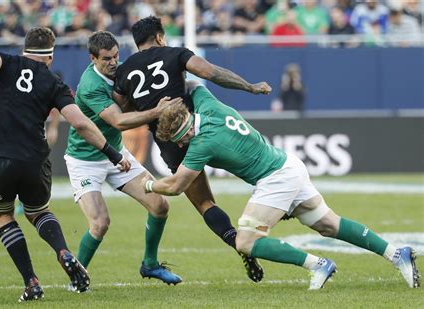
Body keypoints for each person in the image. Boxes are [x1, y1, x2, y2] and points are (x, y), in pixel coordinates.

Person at [143, 80, 421, 290]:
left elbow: (177, 186)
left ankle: (318, 264)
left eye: (179, 139)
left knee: (246, 241)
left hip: (276, 177)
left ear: (187, 128)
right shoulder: (207, 104)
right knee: (328, 224)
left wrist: (149, 186)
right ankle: (397, 254)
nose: (180, 145)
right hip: (287, 164)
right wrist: (173, 102)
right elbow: (193, 83)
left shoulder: (202, 144)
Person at [0, 27, 131, 302]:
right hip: (34, 161)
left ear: (25, 50)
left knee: (4, 216)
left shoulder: (8, 63)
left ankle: (31, 282)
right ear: (50, 56)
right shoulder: (54, 84)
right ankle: (63, 251)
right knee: (38, 213)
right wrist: (113, 153)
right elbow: (81, 123)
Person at [113, 15, 271, 283]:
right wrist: (249, 87)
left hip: (171, 142)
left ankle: (236, 242)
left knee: (206, 203)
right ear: (160, 36)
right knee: (254, 166)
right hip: (201, 130)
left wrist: (148, 107)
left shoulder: (124, 71)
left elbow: (122, 112)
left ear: (136, 42)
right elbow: (211, 72)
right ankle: (283, 199)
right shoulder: (174, 54)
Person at [64, 31, 182, 287]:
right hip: (85, 160)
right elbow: (118, 120)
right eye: (107, 58)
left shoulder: (121, 71)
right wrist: (156, 110)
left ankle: (149, 264)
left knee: (160, 205)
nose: (114, 62)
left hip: (117, 154)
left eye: (116, 56)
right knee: (100, 223)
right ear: (92, 58)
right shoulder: (90, 86)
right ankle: (76, 280)